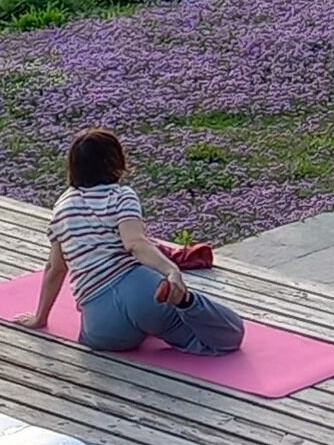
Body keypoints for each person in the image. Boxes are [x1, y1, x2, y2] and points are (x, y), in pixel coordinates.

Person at [35, 126, 245, 356]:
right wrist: (171, 270)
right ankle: (186, 302)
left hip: (102, 323)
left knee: (98, 336)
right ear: (116, 162)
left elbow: (56, 268)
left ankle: (138, 327)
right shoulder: (121, 195)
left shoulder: (62, 208)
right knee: (229, 335)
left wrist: (40, 318)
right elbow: (134, 243)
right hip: (143, 294)